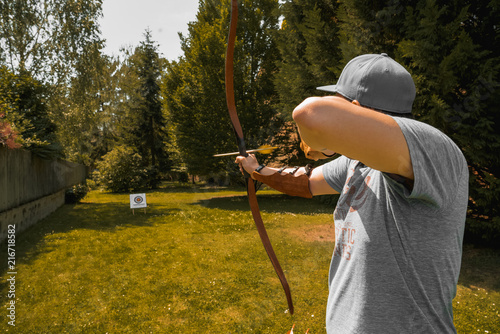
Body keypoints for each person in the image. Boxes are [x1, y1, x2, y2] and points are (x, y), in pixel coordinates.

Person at [236, 53, 469, 333]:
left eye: (339, 99)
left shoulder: (433, 148)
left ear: (355, 107)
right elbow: (307, 181)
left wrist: (321, 138)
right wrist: (257, 170)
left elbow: (311, 114)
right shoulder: (356, 162)